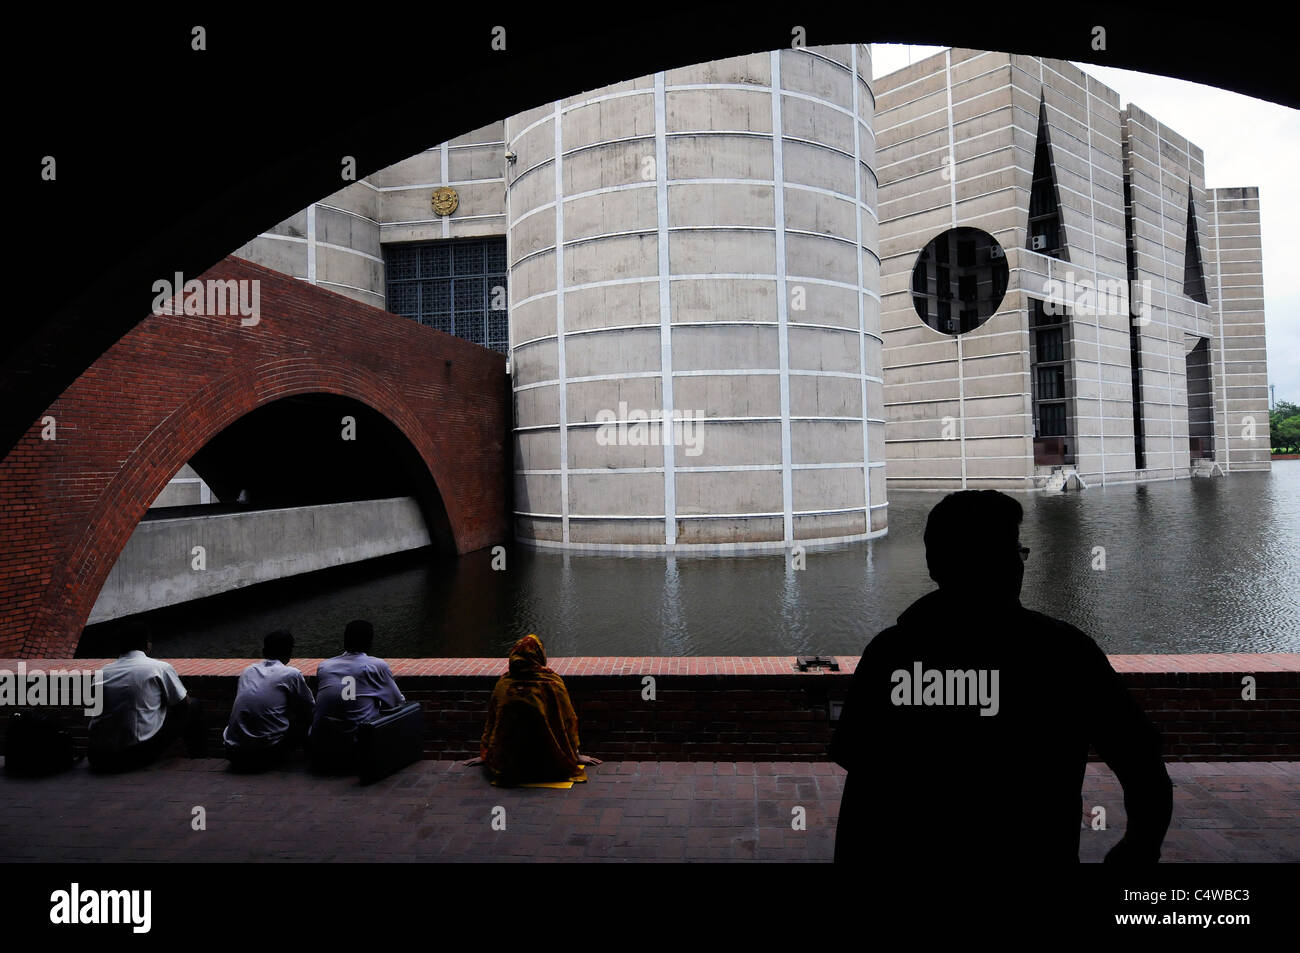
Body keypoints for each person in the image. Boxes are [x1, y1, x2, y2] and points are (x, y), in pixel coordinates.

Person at [830, 489, 1172, 865]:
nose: (1019, 563)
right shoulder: (1065, 653)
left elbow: (861, 783)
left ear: (934, 564)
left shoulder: (891, 654)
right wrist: (1140, 844)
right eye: (1013, 550)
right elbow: (1142, 760)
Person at [463, 634, 601, 784]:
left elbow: (494, 723)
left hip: (510, 766)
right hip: (548, 763)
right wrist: (576, 756)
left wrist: (486, 754)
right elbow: (567, 723)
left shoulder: (505, 684)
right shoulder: (552, 684)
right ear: (538, 655)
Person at [87, 621, 206, 772]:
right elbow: (184, 704)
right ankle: (199, 760)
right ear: (147, 645)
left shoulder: (102, 673)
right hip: (133, 755)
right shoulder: (159, 668)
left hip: (98, 756)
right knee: (194, 706)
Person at [309, 620, 405, 772]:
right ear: (369, 642)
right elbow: (397, 702)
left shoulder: (324, 666)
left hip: (323, 745)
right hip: (356, 747)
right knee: (406, 711)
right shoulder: (375, 666)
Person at [222, 629, 314, 771]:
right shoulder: (291, 674)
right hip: (264, 753)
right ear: (289, 651)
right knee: (305, 719)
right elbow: (310, 708)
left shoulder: (248, 671)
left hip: (233, 752)